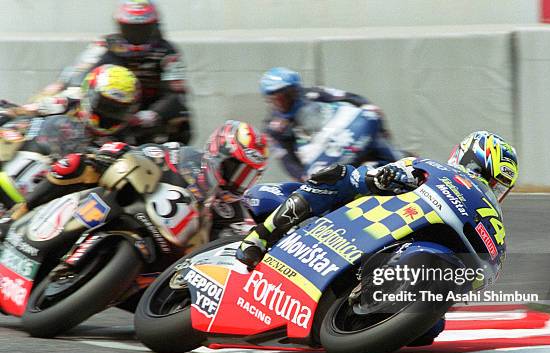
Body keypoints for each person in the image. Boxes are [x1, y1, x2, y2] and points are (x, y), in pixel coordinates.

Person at [237, 130, 518, 268]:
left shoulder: (475, 209)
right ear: (468, 160)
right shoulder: (430, 167)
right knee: (340, 176)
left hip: (383, 239)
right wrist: (383, 177)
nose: (490, 189)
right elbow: (388, 171)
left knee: (430, 330)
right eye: (487, 176)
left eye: (499, 188)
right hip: (348, 217)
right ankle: (261, 236)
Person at [7, 121, 268, 245]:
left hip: (167, 256)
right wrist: (115, 154)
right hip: (135, 209)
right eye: (236, 168)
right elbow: (142, 153)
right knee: (75, 164)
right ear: (217, 151)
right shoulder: (183, 156)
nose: (237, 180)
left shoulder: (234, 210)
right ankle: (19, 212)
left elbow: (239, 241)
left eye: (247, 175)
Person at [28, 0, 191, 144]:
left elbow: (175, 93)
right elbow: (79, 71)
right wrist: (60, 88)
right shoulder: (104, 44)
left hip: (148, 111)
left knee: (181, 119)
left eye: (141, 28)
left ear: (153, 26)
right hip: (107, 103)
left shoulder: (168, 52)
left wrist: (150, 115)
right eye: (130, 28)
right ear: (120, 25)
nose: (136, 34)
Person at [259, 67, 400, 181]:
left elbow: (349, 97)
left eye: (286, 95)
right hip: (320, 156)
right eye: (275, 99)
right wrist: (302, 176)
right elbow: (287, 159)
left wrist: (368, 107)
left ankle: (401, 162)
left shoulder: (313, 93)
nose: (282, 102)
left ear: (297, 90)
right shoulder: (273, 128)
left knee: (378, 137)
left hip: (344, 136)